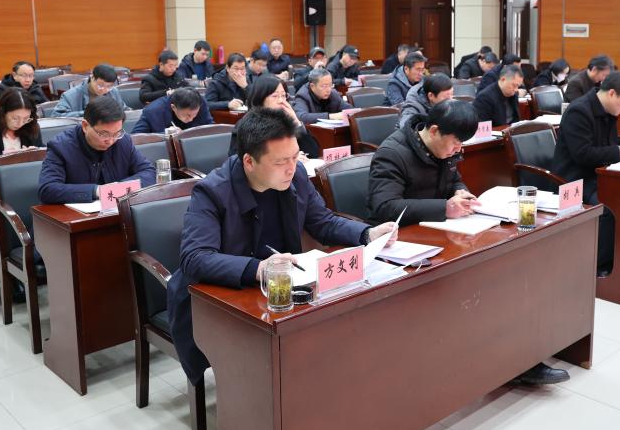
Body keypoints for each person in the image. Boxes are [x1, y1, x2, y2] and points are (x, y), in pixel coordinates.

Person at [165, 108, 398, 385]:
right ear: (249, 161)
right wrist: (259, 268)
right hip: (219, 298)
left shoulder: (295, 174)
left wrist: (367, 233)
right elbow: (194, 258)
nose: (291, 167)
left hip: (280, 289)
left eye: (295, 157)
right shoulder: (212, 191)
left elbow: (322, 221)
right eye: (280, 162)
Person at [552, 71, 620, 278]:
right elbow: (583, 154)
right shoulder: (579, 111)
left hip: (599, 174)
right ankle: (597, 268)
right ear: (612, 93)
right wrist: (618, 151)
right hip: (574, 179)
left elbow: (606, 143)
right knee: (611, 208)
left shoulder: (608, 110)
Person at [368, 99, 479, 226]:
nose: (458, 149)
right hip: (398, 230)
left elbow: (454, 180)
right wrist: (444, 208)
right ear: (434, 131)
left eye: (462, 143)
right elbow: (385, 207)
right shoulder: (391, 153)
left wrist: (459, 191)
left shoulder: (443, 148)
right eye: (456, 142)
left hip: (435, 225)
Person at [38, 96, 155, 204]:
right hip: (78, 215)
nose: (110, 141)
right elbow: (48, 189)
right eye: (104, 134)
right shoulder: (61, 146)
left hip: (118, 211)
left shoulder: (123, 141)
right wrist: (96, 191)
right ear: (85, 126)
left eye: (116, 133)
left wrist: (118, 188)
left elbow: (149, 171)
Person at [230, 76, 320, 157]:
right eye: (275, 96)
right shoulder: (246, 125)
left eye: (283, 96)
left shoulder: (285, 121)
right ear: (260, 98)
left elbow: (313, 152)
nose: (281, 100)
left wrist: (296, 122)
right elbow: (240, 160)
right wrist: (289, 158)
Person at [53, 63, 125, 117]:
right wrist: (87, 114)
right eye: (100, 85)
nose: (104, 90)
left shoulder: (113, 91)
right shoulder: (70, 95)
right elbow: (57, 116)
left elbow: (124, 110)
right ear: (92, 77)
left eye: (109, 86)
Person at [132, 87, 212, 134]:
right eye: (187, 115)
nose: (191, 119)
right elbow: (136, 137)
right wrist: (165, 134)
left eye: (195, 115)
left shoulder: (200, 102)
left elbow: (210, 129)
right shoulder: (153, 111)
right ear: (173, 107)